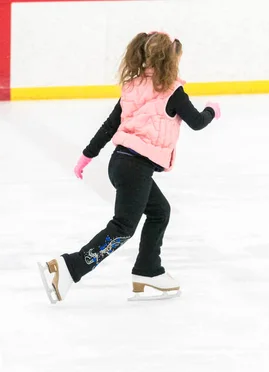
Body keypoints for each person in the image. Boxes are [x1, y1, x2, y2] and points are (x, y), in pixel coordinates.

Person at [37, 31, 221, 303]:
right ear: (170, 60)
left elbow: (110, 125)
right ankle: (70, 268)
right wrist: (212, 111)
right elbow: (197, 122)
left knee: (160, 212)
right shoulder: (173, 91)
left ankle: (148, 269)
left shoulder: (133, 87)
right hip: (136, 167)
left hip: (121, 163)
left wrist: (86, 157)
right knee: (123, 227)